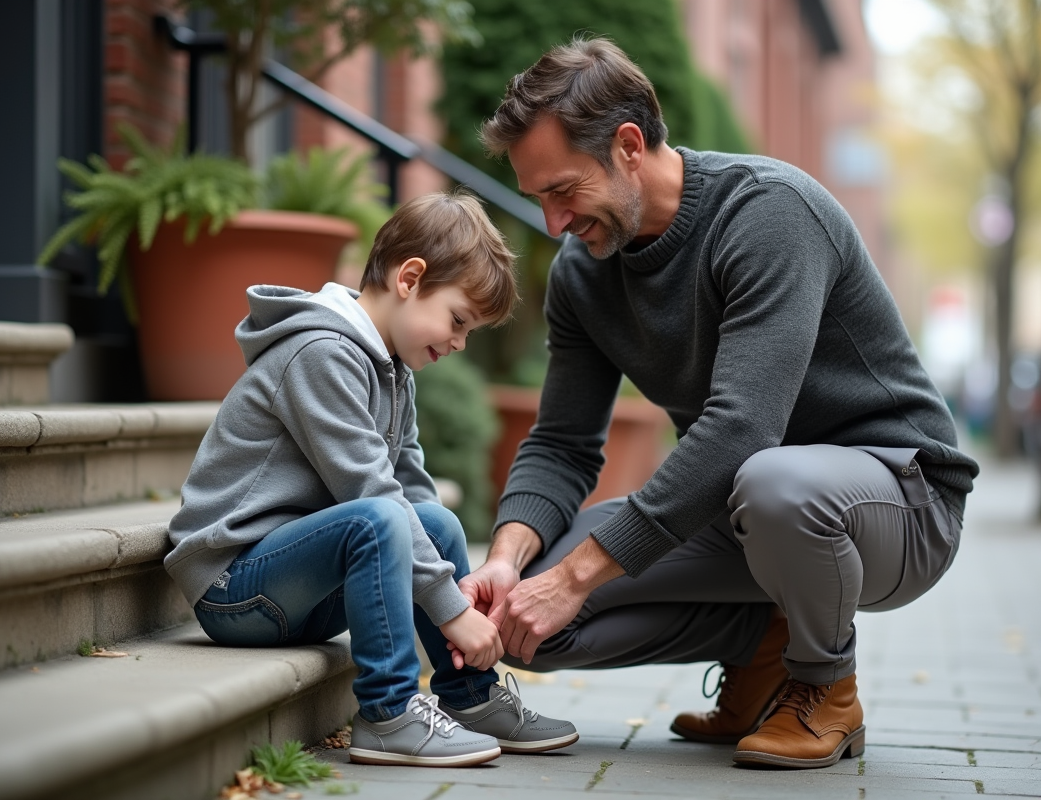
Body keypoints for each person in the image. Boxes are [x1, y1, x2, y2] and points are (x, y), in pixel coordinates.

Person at [459, 38, 980, 769]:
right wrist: (512, 562)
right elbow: (561, 443)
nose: (552, 223)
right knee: (535, 623)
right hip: (744, 506)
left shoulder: (768, 214)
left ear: (629, 145)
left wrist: (577, 578)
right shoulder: (585, 273)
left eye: (563, 191)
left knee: (771, 483)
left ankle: (824, 685)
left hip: (901, 500)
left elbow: (744, 428)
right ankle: (765, 646)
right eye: (538, 195)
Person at [164, 191, 578, 767]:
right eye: (458, 321)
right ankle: (387, 714)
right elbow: (371, 492)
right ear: (409, 278)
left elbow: (410, 486)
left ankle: (470, 697)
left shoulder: (392, 371)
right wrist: (452, 613)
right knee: (379, 516)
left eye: (469, 332)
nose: (459, 343)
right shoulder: (320, 353)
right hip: (235, 588)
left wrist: (449, 590)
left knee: (433, 519)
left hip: (303, 586)